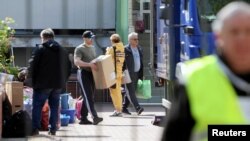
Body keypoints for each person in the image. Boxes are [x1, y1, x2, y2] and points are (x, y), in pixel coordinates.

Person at [162, 2, 250, 141]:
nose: (242, 39)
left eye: (248, 31)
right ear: (218, 37)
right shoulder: (193, 81)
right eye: (234, 32)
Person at [28, 28, 71, 136]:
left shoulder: (40, 49)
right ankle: (53, 129)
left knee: (37, 106)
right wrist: (63, 80)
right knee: (54, 106)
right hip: (57, 85)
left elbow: (32, 66)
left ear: (42, 37)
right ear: (53, 37)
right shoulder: (63, 51)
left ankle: (35, 129)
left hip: (42, 84)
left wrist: (31, 80)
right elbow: (69, 68)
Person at [74, 30, 103, 125]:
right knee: (88, 97)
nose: (92, 39)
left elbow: (93, 60)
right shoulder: (79, 48)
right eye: (90, 38)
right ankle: (94, 117)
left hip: (92, 74)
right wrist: (89, 65)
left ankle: (83, 118)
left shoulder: (93, 47)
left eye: (92, 37)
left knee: (88, 96)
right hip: (83, 73)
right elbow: (77, 62)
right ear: (84, 38)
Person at [122, 32, 144, 115]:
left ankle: (123, 107)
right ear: (130, 40)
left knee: (132, 91)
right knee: (131, 91)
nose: (137, 40)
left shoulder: (140, 48)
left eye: (137, 39)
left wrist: (141, 74)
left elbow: (141, 62)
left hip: (137, 73)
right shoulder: (125, 49)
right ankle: (137, 108)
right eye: (135, 39)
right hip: (128, 73)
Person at [105, 34, 125, 116]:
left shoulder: (112, 48)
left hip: (113, 73)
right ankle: (118, 109)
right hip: (119, 73)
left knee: (114, 93)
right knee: (118, 92)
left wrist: (107, 50)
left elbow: (106, 58)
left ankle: (118, 110)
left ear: (112, 41)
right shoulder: (122, 48)